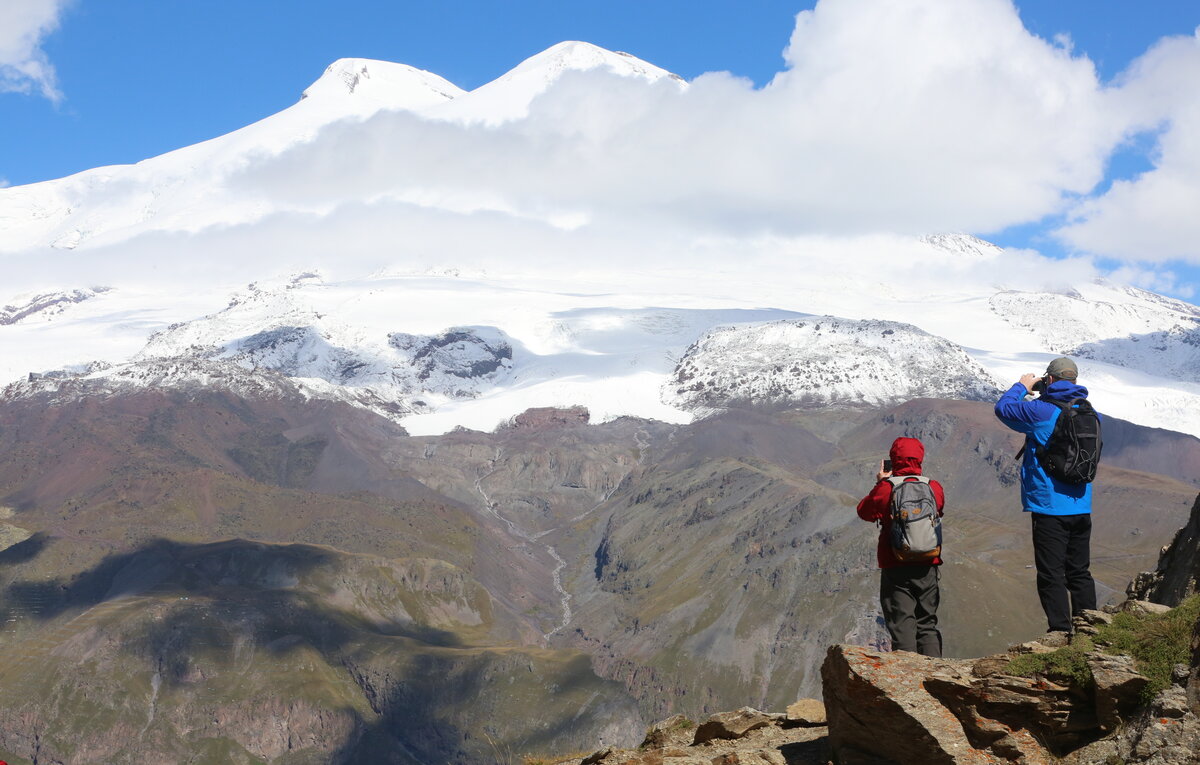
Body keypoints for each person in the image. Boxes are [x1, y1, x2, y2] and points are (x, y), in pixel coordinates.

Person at [994, 356, 1097, 643]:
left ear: (1049, 380)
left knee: (1051, 572)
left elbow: (1003, 409)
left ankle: (1060, 631)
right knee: (1079, 571)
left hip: (1050, 507)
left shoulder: (1042, 411)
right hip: (1081, 504)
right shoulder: (1088, 411)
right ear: (1074, 381)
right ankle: (1090, 630)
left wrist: (1022, 386)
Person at [856, 436, 945, 657]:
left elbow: (864, 511)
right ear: (920, 457)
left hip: (895, 563)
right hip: (928, 563)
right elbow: (939, 510)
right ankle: (935, 676)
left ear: (894, 458)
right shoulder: (933, 487)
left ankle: (911, 681)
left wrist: (880, 482)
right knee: (927, 623)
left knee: (901, 624)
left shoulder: (886, 489)